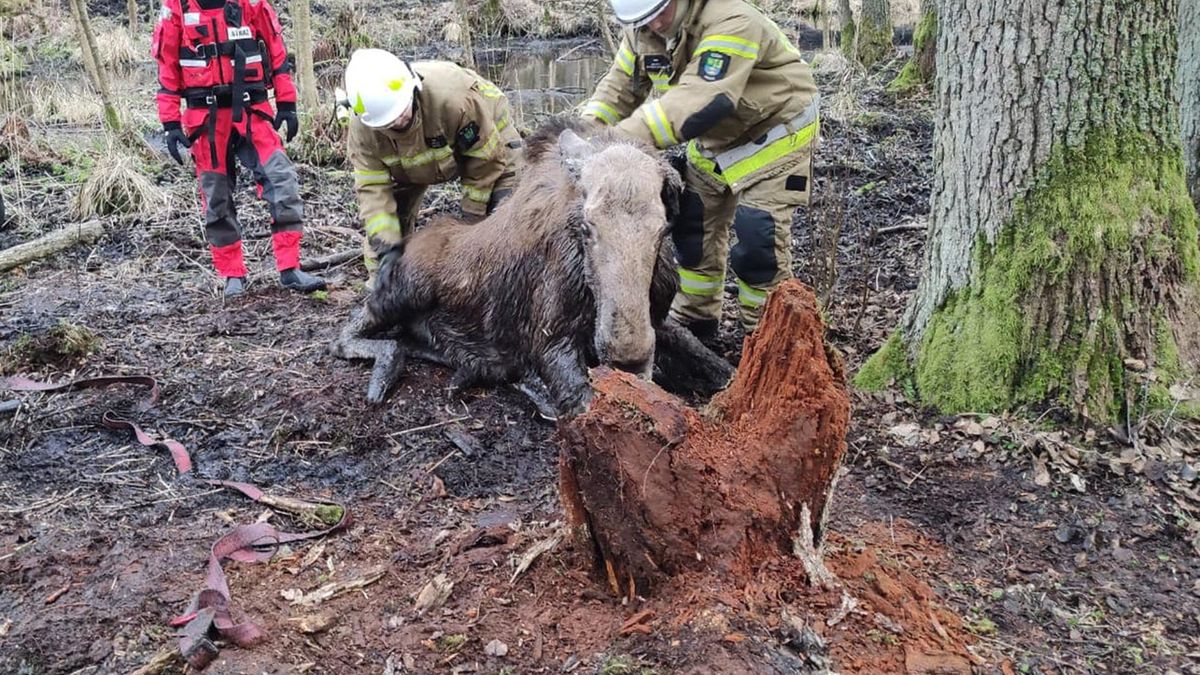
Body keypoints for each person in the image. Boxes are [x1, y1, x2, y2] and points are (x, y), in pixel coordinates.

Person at [582, 0, 820, 336]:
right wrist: (585, 135)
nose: (652, 26)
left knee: (758, 241)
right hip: (714, 139)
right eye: (642, 20)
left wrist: (618, 140)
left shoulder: (732, 20)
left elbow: (702, 100)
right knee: (694, 230)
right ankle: (696, 322)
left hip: (774, 131)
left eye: (657, 14)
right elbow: (619, 88)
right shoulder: (642, 26)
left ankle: (765, 338)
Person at [152, 0, 326, 297]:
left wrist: (286, 102)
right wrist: (169, 122)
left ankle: (289, 267)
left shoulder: (251, 3)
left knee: (282, 180)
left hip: (252, 111)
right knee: (216, 198)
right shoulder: (176, 9)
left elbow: (276, 49)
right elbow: (166, 64)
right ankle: (233, 274)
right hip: (205, 119)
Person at [341, 48, 524, 280]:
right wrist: (387, 254)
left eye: (401, 111)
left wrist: (470, 221)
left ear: (412, 88)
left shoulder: (453, 99)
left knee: (501, 219)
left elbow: (485, 161)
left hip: (489, 136)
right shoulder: (364, 131)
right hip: (407, 165)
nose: (399, 120)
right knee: (385, 246)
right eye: (390, 122)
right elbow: (373, 193)